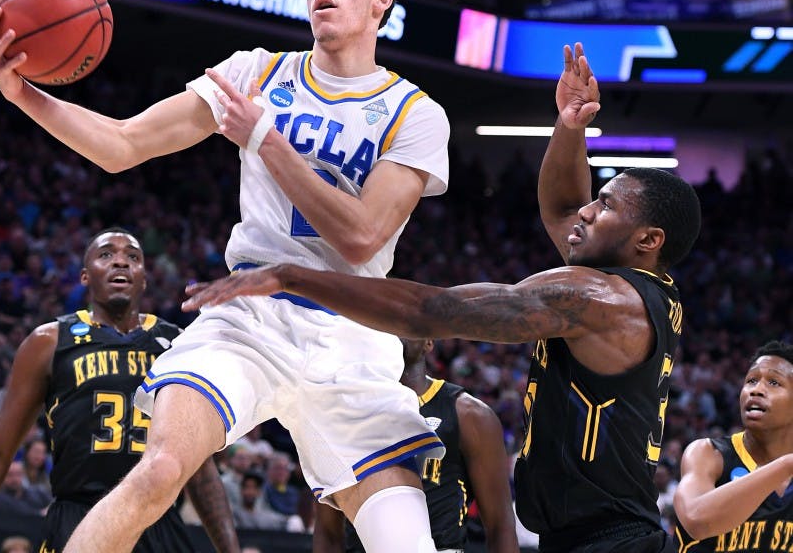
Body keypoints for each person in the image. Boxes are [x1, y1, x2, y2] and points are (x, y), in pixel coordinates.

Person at [0, 0, 450, 553]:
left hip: (351, 329)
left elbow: (362, 237)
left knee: (406, 543)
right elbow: (123, 145)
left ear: (380, 0)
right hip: (249, 314)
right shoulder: (255, 73)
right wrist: (24, 94)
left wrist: (265, 140)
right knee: (159, 470)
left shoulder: (415, 113)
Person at [182, 43, 703, 553]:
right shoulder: (637, 287)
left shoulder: (601, 299)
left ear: (648, 240)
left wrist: (293, 277)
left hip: (614, 541)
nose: (587, 211)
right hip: (590, 535)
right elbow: (564, 207)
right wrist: (570, 127)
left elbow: (431, 311)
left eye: (605, 206)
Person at [0, 229, 240, 553]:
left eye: (133, 257)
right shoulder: (48, 342)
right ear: (85, 276)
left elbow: (201, 469)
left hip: (158, 523)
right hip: (77, 516)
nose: (121, 262)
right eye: (106, 254)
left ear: (143, 279)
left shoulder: (178, 345)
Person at [313, 338, 519, 553]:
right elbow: (328, 531)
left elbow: (500, 526)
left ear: (428, 342)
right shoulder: (343, 412)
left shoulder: (470, 415)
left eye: (405, 323)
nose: (394, 331)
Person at [672, 341, 793, 552]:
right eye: (751, 381)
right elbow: (695, 520)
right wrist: (787, 464)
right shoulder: (708, 453)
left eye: (774, 382)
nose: (756, 390)